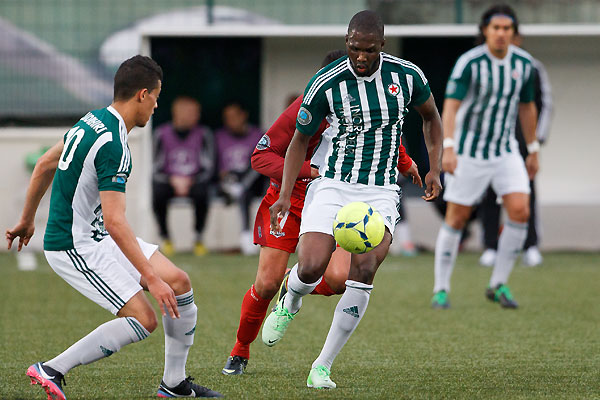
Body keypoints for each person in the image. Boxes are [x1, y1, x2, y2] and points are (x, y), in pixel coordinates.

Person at [6, 55, 222, 399]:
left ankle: (174, 384)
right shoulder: (115, 144)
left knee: (179, 282)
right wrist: (151, 278)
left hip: (95, 235)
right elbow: (115, 220)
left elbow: (46, 163)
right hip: (74, 246)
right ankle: (51, 369)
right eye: (155, 96)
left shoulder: (92, 120)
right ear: (141, 94)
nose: (156, 105)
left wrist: (27, 218)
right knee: (144, 319)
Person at [263, 10, 443, 389]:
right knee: (311, 267)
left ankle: (322, 366)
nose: (360, 57)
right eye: (353, 48)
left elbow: (431, 118)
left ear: (382, 45)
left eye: (368, 50)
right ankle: (291, 299)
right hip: (333, 184)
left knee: (362, 272)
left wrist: (433, 168)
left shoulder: (407, 77)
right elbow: (298, 140)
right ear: (346, 42)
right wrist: (283, 195)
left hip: (379, 192)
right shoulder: (326, 82)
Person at [221, 49, 423, 376]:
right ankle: (240, 349)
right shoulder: (306, 105)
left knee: (340, 278)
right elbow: (260, 156)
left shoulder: (366, 104)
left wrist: (407, 163)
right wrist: (309, 173)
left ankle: (296, 284)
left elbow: (386, 140)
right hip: (293, 197)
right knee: (267, 282)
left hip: (341, 197)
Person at [431, 4, 539, 310]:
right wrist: (448, 147)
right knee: (457, 216)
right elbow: (450, 105)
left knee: (520, 210)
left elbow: (527, 107)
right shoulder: (470, 63)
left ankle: (498, 283)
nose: (502, 34)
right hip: (470, 152)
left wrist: (532, 149)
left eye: (507, 29)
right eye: (496, 28)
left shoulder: (525, 64)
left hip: (506, 151)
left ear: (514, 34)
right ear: (485, 32)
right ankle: (441, 288)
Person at [478, 32, 553, 268]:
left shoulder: (531, 66)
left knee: (525, 193)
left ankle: (530, 246)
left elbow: (545, 104)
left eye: (509, 32)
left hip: (521, 144)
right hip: (490, 143)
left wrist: (536, 141)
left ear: (517, 38)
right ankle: (490, 246)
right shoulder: (481, 66)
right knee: (490, 193)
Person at [152, 96, 215, 257]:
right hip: (169, 180)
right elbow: (154, 168)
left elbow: (209, 168)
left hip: (195, 180)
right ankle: (166, 238)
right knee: (158, 193)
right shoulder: (161, 134)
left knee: (203, 193)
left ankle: (198, 238)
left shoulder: (204, 134)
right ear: (178, 113)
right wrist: (172, 180)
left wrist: (191, 180)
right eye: (193, 112)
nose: (196, 116)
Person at [215, 102, 266, 254]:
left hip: (252, 182)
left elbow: (260, 163)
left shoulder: (258, 135)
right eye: (227, 118)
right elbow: (213, 163)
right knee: (236, 185)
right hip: (227, 181)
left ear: (243, 115)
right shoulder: (219, 136)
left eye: (234, 116)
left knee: (251, 177)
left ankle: (248, 234)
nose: (231, 121)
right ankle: (235, 189)